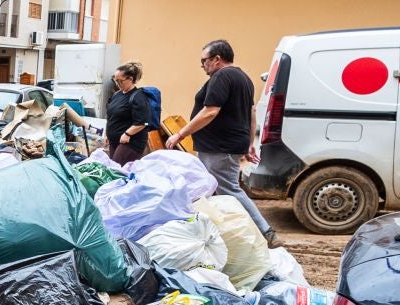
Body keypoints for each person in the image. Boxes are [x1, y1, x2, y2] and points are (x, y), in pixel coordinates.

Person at [169, 39, 281, 247]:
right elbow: (251, 112)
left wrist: (180, 134)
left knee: (228, 189)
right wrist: (248, 143)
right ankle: (218, 232)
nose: (202, 65)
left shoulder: (222, 76)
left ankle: (266, 232)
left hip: (219, 147)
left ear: (217, 59)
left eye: (204, 61)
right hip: (226, 145)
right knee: (210, 190)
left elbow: (211, 110)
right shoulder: (243, 77)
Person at [104, 62, 153, 165]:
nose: (117, 84)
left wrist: (127, 134)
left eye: (120, 81)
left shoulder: (138, 97)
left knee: (116, 170)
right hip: (115, 141)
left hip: (130, 143)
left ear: (130, 79)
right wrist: (108, 135)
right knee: (114, 171)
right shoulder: (116, 95)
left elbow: (143, 122)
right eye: (115, 80)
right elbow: (111, 116)